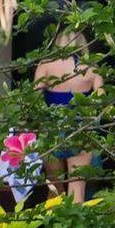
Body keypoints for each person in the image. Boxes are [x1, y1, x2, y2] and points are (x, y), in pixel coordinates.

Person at [34, 29, 104, 202]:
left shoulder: (46, 64)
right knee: (77, 187)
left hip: (52, 129)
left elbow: (33, 98)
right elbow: (101, 99)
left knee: (54, 188)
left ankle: (54, 225)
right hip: (81, 128)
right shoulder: (91, 67)